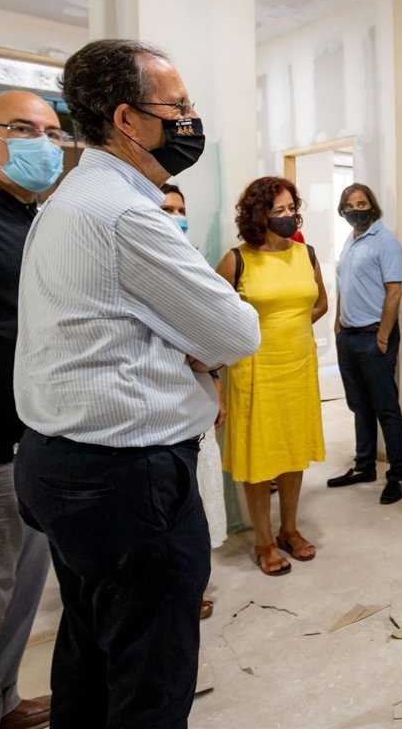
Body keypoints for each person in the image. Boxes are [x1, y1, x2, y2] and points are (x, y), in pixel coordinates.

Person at [12, 39, 261, 729]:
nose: (190, 119)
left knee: (90, 650)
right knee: (152, 675)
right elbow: (236, 332)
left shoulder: (69, 199)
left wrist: (185, 342)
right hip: (128, 479)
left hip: (64, 465)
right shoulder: (125, 215)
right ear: (127, 119)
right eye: (177, 107)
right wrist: (197, 349)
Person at [0, 89, 62, 729]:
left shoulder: (32, 218)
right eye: (24, 130)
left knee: (24, 586)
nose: (44, 145)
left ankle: (1, 699)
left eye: (53, 134)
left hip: (37, 433)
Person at [217, 176, 327, 576]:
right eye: (277, 209)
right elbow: (213, 317)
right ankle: (263, 541)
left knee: (293, 452)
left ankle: (289, 530)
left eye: (291, 208)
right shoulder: (237, 260)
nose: (287, 215)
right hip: (255, 373)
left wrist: (291, 327)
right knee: (261, 459)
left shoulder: (306, 254)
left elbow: (320, 303)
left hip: (298, 367)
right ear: (257, 215)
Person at [160, 182, 227, 620]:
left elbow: (213, 334)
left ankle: (191, 583)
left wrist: (215, 385)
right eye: (166, 209)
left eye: (180, 209)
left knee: (198, 498)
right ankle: (171, 590)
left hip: (196, 395)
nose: (176, 217)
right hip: (160, 405)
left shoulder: (193, 261)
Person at [327, 183, 402, 504]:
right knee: (359, 405)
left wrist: (383, 336)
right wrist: (338, 324)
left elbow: (394, 292)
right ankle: (364, 466)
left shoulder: (385, 241)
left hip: (374, 337)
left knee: (386, 408)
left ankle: (397, 473)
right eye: (349, 205)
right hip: (348, 337)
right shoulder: (350, 241)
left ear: (372, 206)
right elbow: (343, 285)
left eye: (361, 204)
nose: (355, 210)